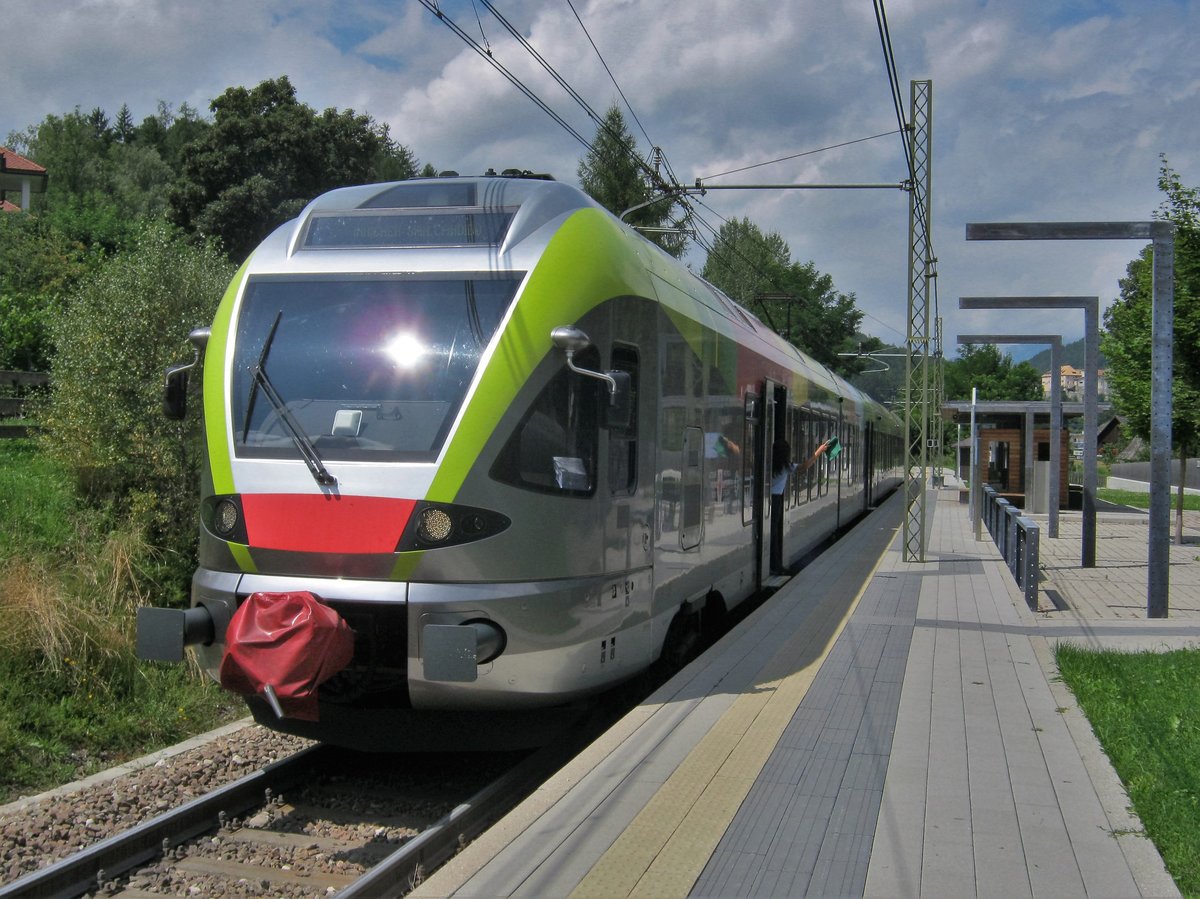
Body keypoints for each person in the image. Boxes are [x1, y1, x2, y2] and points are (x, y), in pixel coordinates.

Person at [770, 436, 833, 574]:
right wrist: (819, 451)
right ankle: (775, 564)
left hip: (765, 499)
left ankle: (772, 563)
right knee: (773, 533)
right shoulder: (785, 467)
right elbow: (805, 466)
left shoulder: (768, 465)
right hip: (775, 501)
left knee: (771, 533)